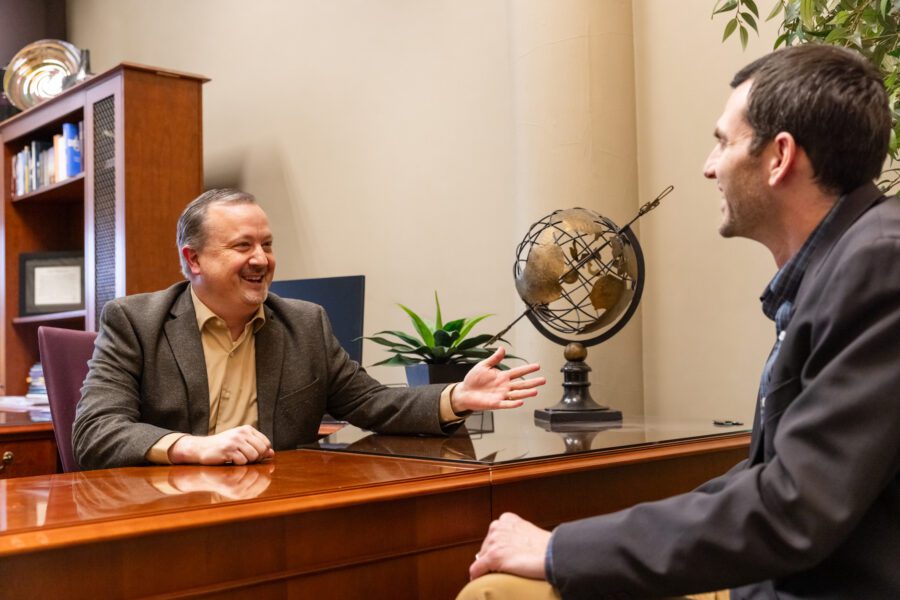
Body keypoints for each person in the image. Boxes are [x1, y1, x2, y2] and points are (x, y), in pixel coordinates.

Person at [459, 45, 900, 599]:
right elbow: (767, 477)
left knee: (497, 593)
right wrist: (572, 543)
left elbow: (793, 508)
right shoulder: (851, 261)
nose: (709, 166)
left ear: (779, 156)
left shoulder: (879, 265)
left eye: (722, 141)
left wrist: (555, 550)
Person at [73, 189, 545, 469]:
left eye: (267, 244)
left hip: (275, 506)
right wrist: (194, 448)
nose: (261, 259)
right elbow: (95, 431)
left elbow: (370, 403)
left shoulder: (304, 323)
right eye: (242, 246)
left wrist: (455, 397)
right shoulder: (135, 321)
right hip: (167, 513)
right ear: (192, 259)